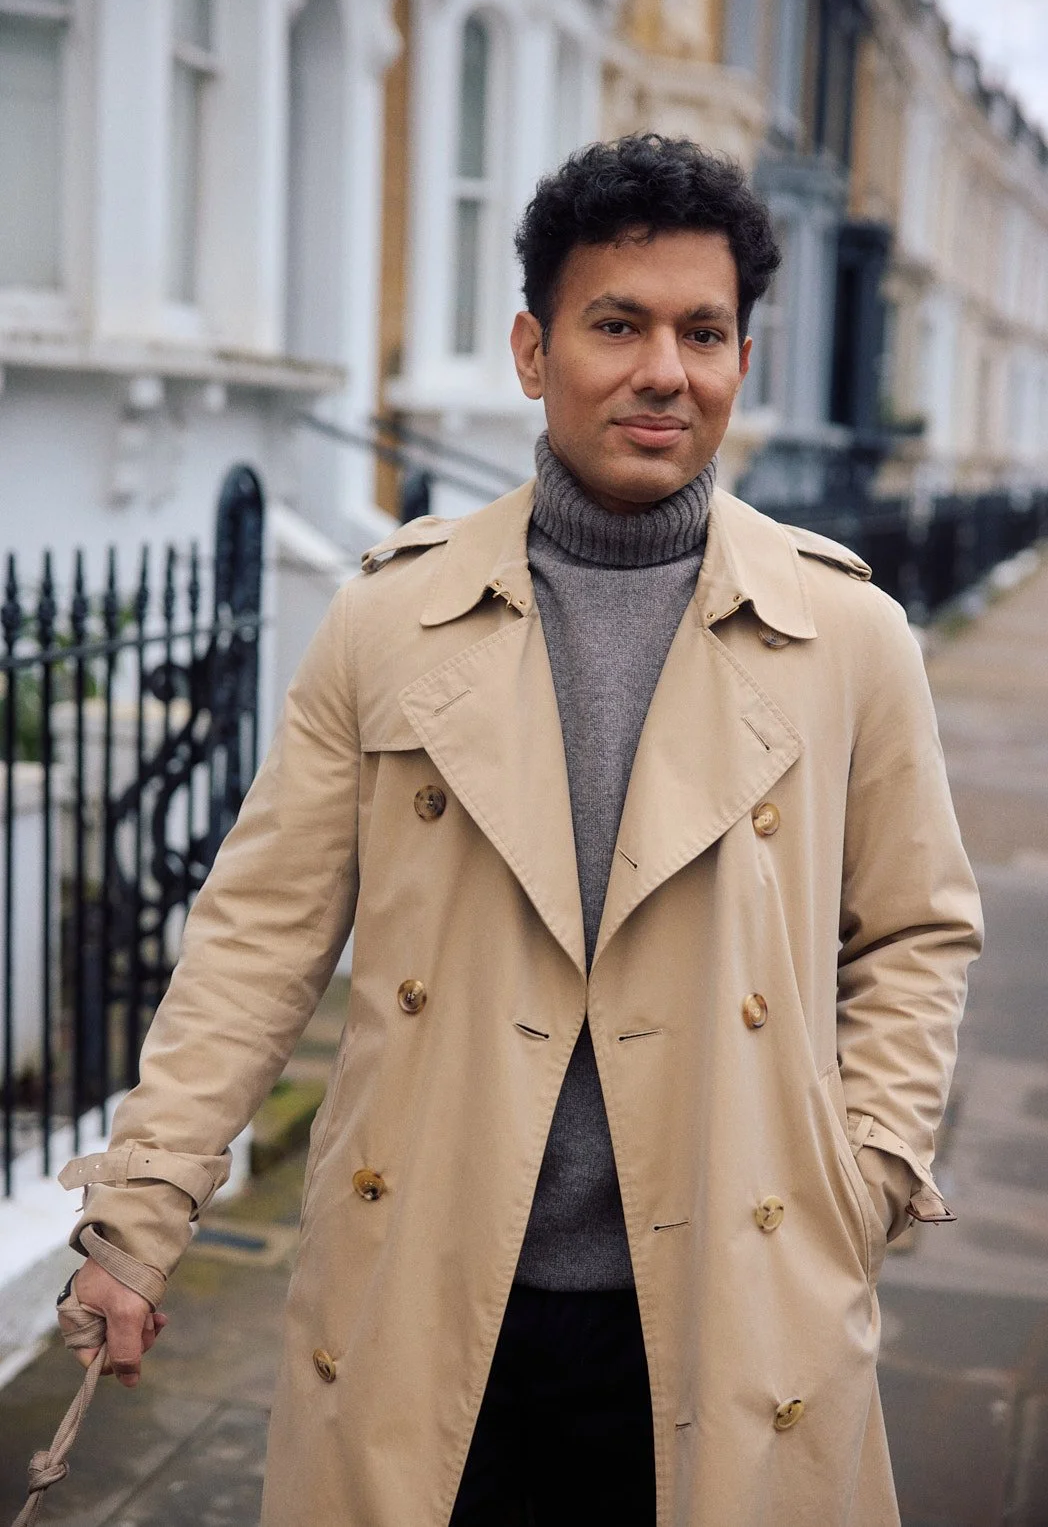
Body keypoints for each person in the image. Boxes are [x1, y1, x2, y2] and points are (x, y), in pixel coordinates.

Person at [58, 135, 982, 1527]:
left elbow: (916, 930)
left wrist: (866, 1174)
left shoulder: (847, 634)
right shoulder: (390, 617)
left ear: (742, 360)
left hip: (734, 1294)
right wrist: (139, 1212)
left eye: (703, 332)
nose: (664, 370)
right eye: (618, 325)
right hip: (427, 1294)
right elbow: (257, 938)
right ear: (533, 351)